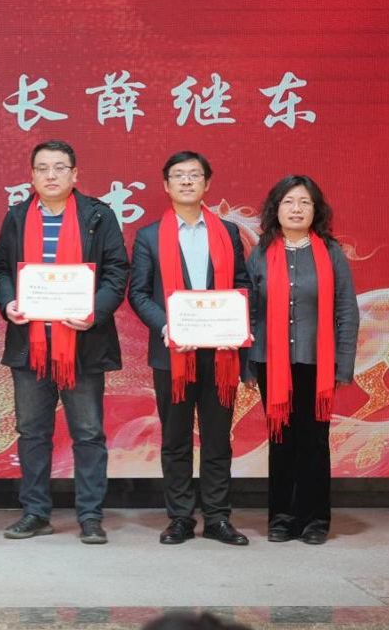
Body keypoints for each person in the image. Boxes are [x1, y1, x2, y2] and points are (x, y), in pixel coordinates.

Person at [0, 139, 129, 544]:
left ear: (74, 174)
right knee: (32, 433)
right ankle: (35, 512)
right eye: (42, 168)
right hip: (30, 344)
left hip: (82, 344)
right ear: (31, 175)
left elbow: (116, 272)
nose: (50, 175)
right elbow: (2, 269)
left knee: (87, 433)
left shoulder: (98, 216)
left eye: (59, 168)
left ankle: (90, 515)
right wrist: (8, 302)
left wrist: (94, 312)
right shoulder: (17, 217)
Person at [128, 151, 251, 546]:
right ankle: (180, 517)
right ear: (166, 185)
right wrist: (168, 326)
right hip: (172, 354)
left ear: (206, 183)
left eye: (194, 175)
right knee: (176, 439)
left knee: (217, 439)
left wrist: (234, 319)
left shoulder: (227, 232)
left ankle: (217, 517)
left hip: (221, 353)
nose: (186, 181)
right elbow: (138, 293)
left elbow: (243, 283)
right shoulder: (149, 236)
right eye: (178, 175)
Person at [245, 175, 358, 545]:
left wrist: (344, 362)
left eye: (304, 202)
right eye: (289, 202)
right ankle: (281, 518)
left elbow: (346, 310)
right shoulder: (261, 252)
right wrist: (247, 361)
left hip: (316, 361)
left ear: (316, 210)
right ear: (276, 209)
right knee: (280, 438)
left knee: (314, 441)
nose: (296, 209)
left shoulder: (331, 252)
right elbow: (249, 309)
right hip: (270, 361)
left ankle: (315, 519)